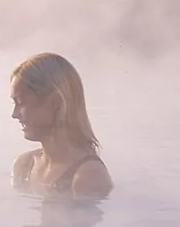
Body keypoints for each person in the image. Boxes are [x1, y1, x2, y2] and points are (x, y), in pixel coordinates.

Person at [9, 53, 112, 200]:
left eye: (21, 102)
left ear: (54, 103)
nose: (14, 114)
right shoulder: (24, 166)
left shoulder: (88, 177)